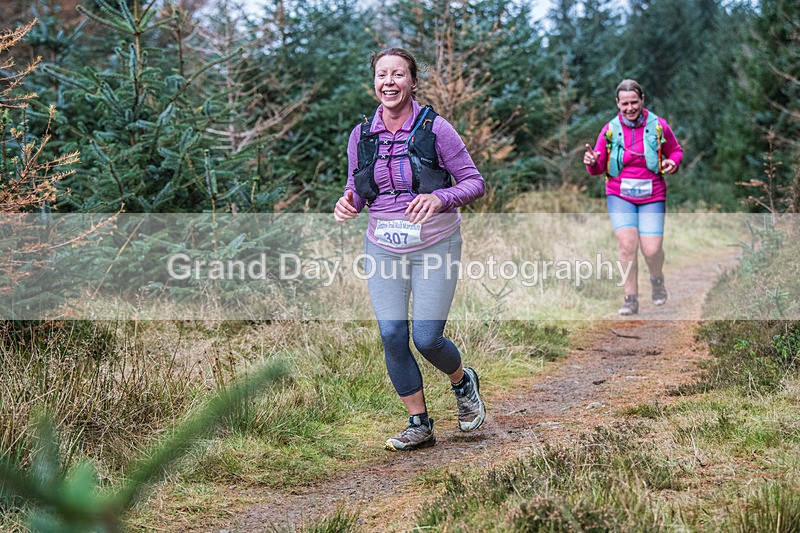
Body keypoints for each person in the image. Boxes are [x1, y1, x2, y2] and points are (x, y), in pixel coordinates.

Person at [333, 47, 486, 451]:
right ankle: (418, 423)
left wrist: (440, 198)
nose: (389, 82)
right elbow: (358, 187)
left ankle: (462, 381)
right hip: (383, 244)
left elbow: (474, 182)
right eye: (382, 75)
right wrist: (348, 201)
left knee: (427, 338)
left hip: (435, 241)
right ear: (374, 83)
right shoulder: (362, 134)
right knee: (392, 334)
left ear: (412, 82)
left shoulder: (437, 129)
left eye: (398, 75)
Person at [584, 79, 683, 316]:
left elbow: (675, 151)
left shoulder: (658, 125)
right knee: (627, 245)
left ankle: (656, 279)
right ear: (617, 103)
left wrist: (673, 163)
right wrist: (592, 163)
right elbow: (597, 167)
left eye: (634, 102)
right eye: (625, 103)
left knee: (651, 250)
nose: (630, 108)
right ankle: (630, 298)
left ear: (642, 100)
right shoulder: (609, 130)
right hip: (620, 194)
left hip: (653, 195)